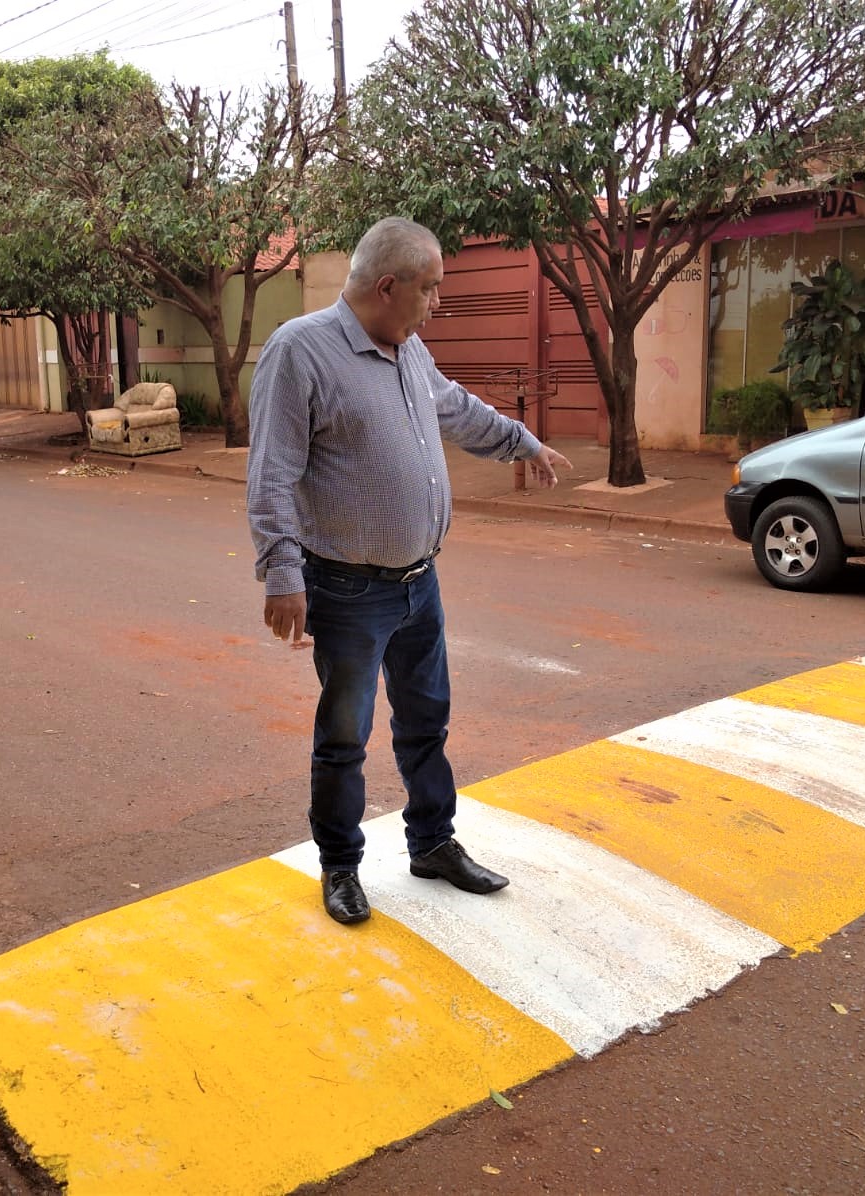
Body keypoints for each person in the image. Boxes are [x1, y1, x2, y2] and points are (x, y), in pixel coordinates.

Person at [247, 217, 573, 925]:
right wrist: (281, 571)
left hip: (417, 585)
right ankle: (340, 867)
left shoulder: (410, 349)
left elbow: (454, 408)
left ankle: (432, 843)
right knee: (344, 738)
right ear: (388, 285)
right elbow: (272, 471)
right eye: (429, 290)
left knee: (426, 722)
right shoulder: (300, 352)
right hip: (346, 590)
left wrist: (520, 441)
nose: (435, 305)